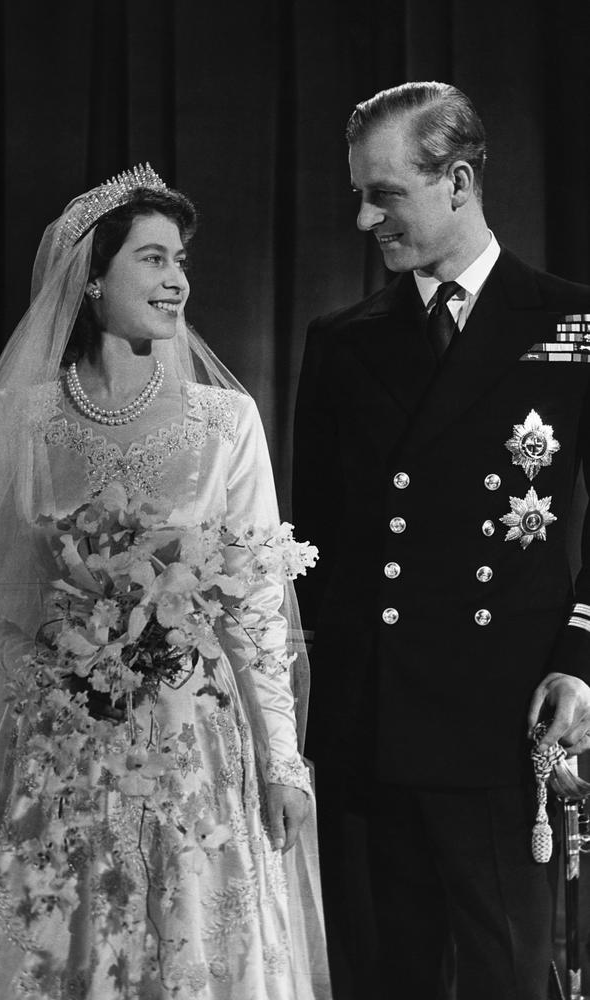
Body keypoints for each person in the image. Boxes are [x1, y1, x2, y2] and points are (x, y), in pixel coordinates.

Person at [0, 165, 331, 999]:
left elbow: (259, 602)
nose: (177, 279)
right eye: (152, 259)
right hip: (64, 745)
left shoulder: (226, 422)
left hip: (193, 746)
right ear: (90, 279)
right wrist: (37, 658)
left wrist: (282, 762)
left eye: (180, 259)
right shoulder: (23, 418)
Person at [292, 81, 590, 1000]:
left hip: (502, 721)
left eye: (384, 194)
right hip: (370, 726)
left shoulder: (572, 324)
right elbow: (319, 548)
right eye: (359, 192)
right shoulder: (343, 342)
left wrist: (581, 658)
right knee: (386, 978)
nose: (362, 218)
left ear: (458, 181)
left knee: (507, 974)